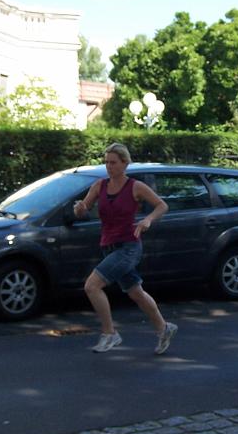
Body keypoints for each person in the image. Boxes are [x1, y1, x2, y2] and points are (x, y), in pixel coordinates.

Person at [74, 143, 177, 354]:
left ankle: (110, 333)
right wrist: (79, 208)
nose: (109, 167)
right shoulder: (99, 186)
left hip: (129, 247)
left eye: (113, 163)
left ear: (124, 163)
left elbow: (162, 205)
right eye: (106, 163)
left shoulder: (135, 187)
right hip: (108, 246)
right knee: (135, 292)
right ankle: (164, 328)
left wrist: (147, 220)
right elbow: (82, 211)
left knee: (92, 286)